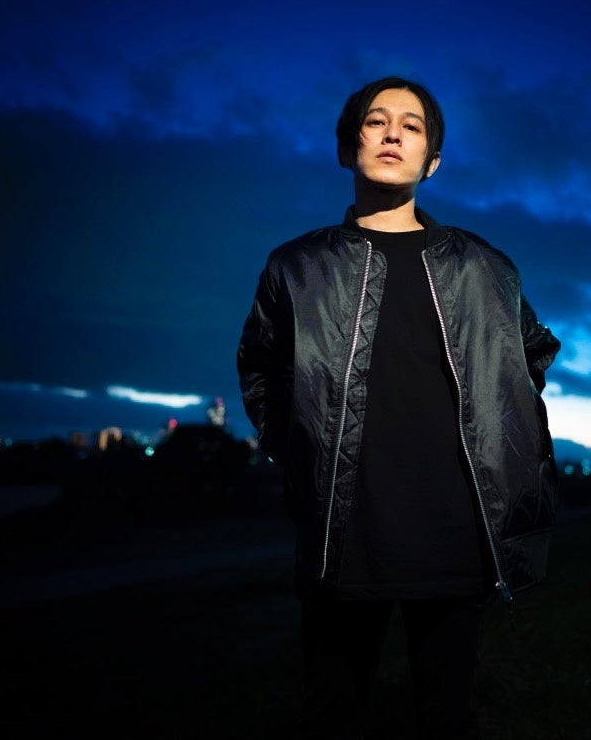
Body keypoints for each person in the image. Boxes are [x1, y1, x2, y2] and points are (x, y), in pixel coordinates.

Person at [236, 75, 562, 739]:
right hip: (345, 533)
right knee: (332, 716)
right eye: (376, 121)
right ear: (346, 147)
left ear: (431, 161)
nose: (392, 134)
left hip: (458, 530)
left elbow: (531, 355)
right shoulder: (295, 266)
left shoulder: (485, 266)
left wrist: (512, 447)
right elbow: (261, 369)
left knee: (448, 719)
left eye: (411, 127)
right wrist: (299, 455)